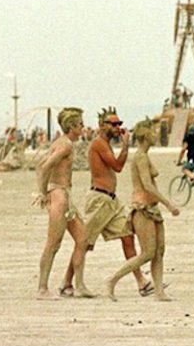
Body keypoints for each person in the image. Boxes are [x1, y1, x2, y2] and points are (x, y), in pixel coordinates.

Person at [107, 120, 180, 300]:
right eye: (153, 132)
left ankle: (159, 291)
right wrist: (168, 203)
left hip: (153, 209)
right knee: (147, 253)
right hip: (142, 209)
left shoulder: (145, 156)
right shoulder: (140, 157)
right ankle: (112, 279)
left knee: (159, 251)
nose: (156, 135)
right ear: (146, 136)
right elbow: (147, 185)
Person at [84, 107, 152, 295]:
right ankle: (67, 282)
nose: (117, 127)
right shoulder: (98, 144)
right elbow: (118, 166)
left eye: (119, 124)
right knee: (84, 243)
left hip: (111, 201)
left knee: (127, 236)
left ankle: (141, 282)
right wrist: (125, 145)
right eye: (114, 124)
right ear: (102, 125)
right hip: (99, 200)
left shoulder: (105, 144)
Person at [34, 107, 90, 299]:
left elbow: (41, 165)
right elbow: (44, 166)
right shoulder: (65, 145)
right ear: (72, 126)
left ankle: (79, 285)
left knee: (82, 239)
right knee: (53, 243)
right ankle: (42, 288)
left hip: (66, 195)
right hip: (58, 195)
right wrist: (43, 193)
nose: (83, 127)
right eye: (81, 124)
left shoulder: (63, 143)